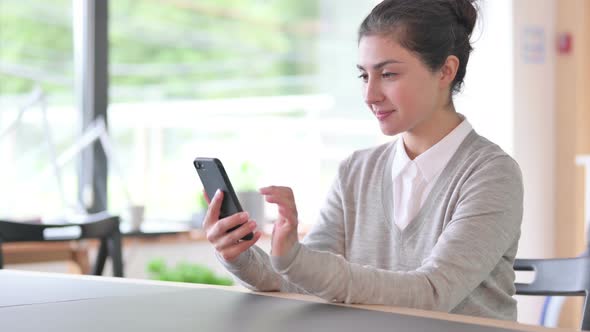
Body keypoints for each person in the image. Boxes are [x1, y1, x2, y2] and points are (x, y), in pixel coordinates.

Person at [202, 0, 523, 321]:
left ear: (446, 71)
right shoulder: (357, 170)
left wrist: (297, 260)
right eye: (363, 76)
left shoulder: (492, 174)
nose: (370, 95)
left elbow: (432, 293)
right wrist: (241, 254)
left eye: (388, 74)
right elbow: (300, 280)